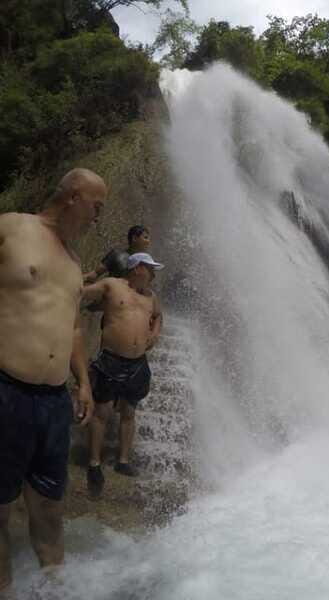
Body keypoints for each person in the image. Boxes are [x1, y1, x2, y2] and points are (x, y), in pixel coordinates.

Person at [0, 168, 105, 592]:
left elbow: (74, 327)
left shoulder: (74, 262)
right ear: (75, 196)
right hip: (6, 388)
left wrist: (83, 382)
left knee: (49, 505)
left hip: (52, 400)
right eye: (97, 205)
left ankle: (54, 589)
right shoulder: (11, 227)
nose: (99, 215)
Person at [82, 252, 163, 496]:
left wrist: (155, 333)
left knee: (129, 411)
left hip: (137, 363)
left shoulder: (151, 297)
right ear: (137, 267)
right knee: (102, 412)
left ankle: (123, 460)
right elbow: (82, 295)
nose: (153, 274)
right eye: (150, 268)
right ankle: (94, 463)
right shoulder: (112, 285)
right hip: (111, 360)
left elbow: (158, 316)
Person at [82, 225, 151, 283]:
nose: (148, 241)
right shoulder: (117, 255)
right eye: (145, 237)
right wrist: (75, 281)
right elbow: (95, 274)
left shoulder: (146, 262)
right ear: (134, 238)